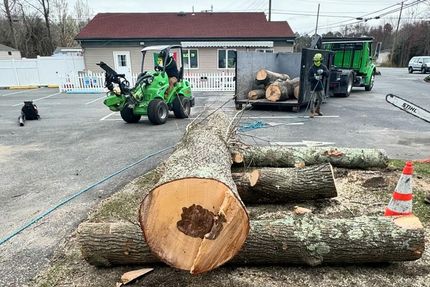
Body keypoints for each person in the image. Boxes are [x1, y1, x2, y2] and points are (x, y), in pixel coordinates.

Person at [307, 53, 329, 118]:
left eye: (317, 61)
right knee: (312, 100)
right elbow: (309, 78)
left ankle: (317, 110)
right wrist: (315, 78)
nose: (316, 62)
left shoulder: (323, 67)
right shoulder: (312, 68)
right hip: (313, 87)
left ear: (320, 60)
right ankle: (312, 112)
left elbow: (327, 74)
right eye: (315, 61)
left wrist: (323, 72)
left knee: (321, 99)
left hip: (320, 86)